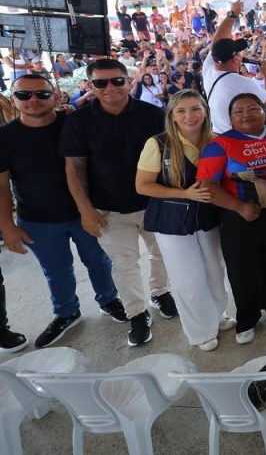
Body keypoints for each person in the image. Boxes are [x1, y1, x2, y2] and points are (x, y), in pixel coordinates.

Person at [0, 74, 124, 351]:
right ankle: (67, 312)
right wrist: (7, 225)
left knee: (99, 260)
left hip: (85, 211)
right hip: (37, 219)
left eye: (42, 94)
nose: (33, 100)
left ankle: (109, 300)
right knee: (56, 270)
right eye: (24, 95)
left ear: (55, 96)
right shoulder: (4, 137)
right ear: (12, 99)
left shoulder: (74, 124)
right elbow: (1, 185)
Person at [61, 58, 176, 347]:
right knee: (124, 264)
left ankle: (161, 292)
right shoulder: (79, 121)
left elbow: (171, 157)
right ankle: (137, 314)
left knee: (162, 253)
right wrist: (85, 210)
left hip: (154, 203)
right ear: (90, 86)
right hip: (107, 209)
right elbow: (74, 169)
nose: (109, 87)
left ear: (129, 81)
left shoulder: (153, 114)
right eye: (101, 82)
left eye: (117, 80)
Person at [135, 90, 233, 351]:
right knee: (188, 277)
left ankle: (217, 315)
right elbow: (143, 185)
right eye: (182, 111)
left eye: (196, 109)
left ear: (205, 111)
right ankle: (201, 332)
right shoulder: (158, 144)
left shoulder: (216, 140)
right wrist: (185, 194)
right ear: (172, 115)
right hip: (172, 222)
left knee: (215, 270)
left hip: (209, 216)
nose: (190, 116)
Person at [197, 93, 266, 345]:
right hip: (239, 217)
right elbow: (207, 186)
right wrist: (240, 207)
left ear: (264, 111)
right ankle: (248, 318)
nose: (246, 115)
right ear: (230, 118)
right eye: (238, 111)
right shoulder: (220, 144)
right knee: (243, 269)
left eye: (253, 108)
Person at [202, 0, 266, 134]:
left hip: (218, 136)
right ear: (236, 58)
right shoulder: (243, 83)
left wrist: (232, 14)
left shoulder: (208, 70)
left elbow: (217, 40)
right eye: (238, 53)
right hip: (238, 139)